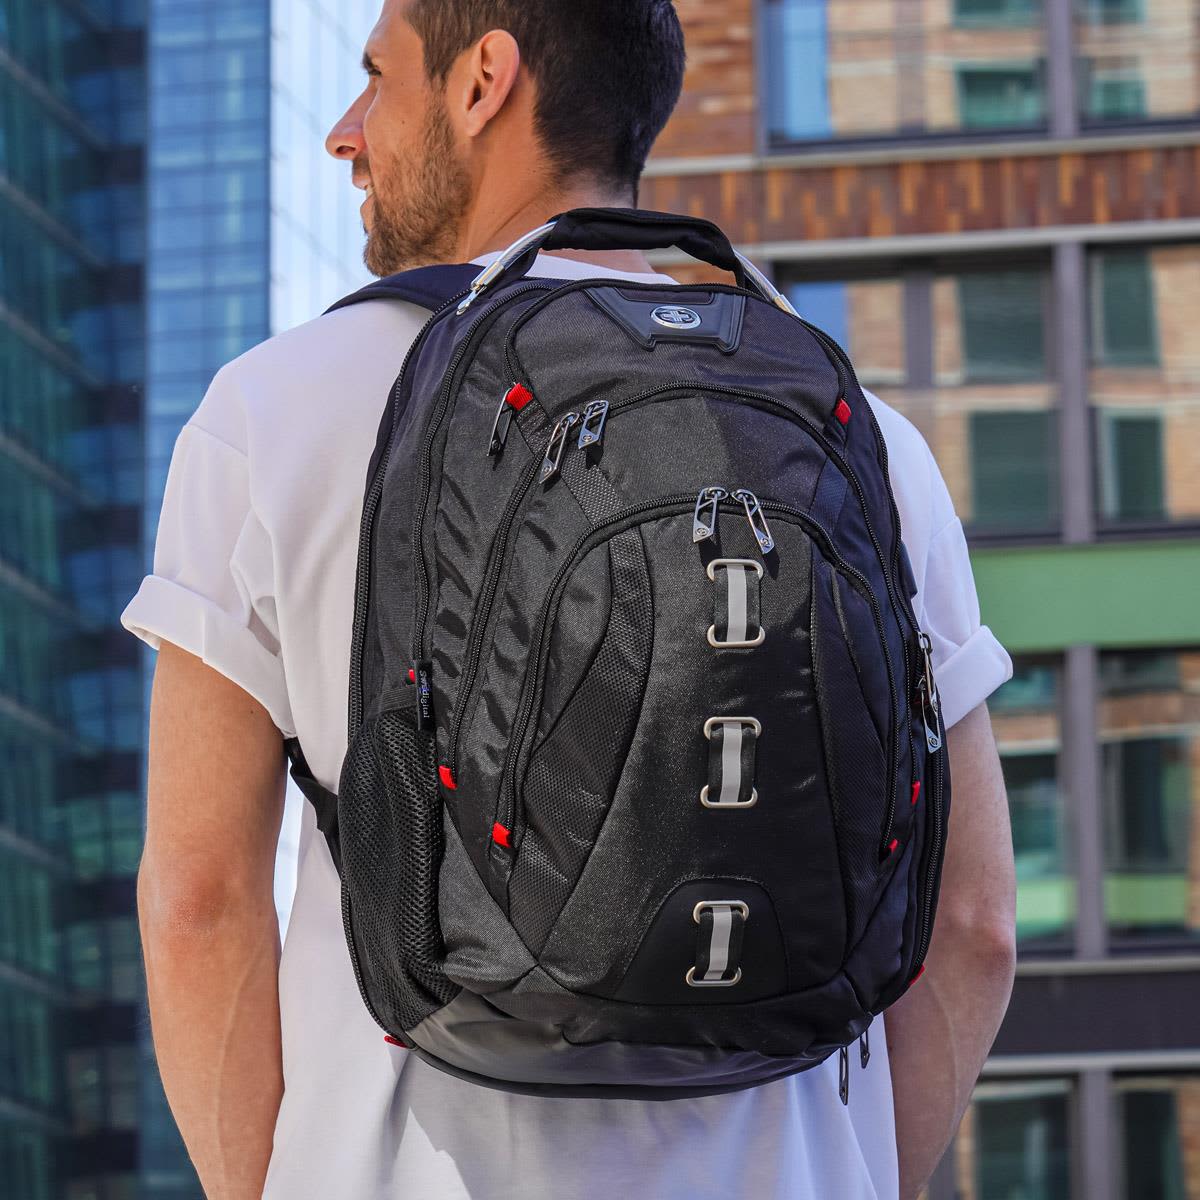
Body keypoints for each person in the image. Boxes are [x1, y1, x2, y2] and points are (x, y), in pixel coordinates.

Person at [121, 2, 1018, 1197]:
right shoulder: (859, 434)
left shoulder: (278, 410)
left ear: (484, 80)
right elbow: (972, 925)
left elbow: (199, 901)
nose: (345, 132)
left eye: (377, 78)